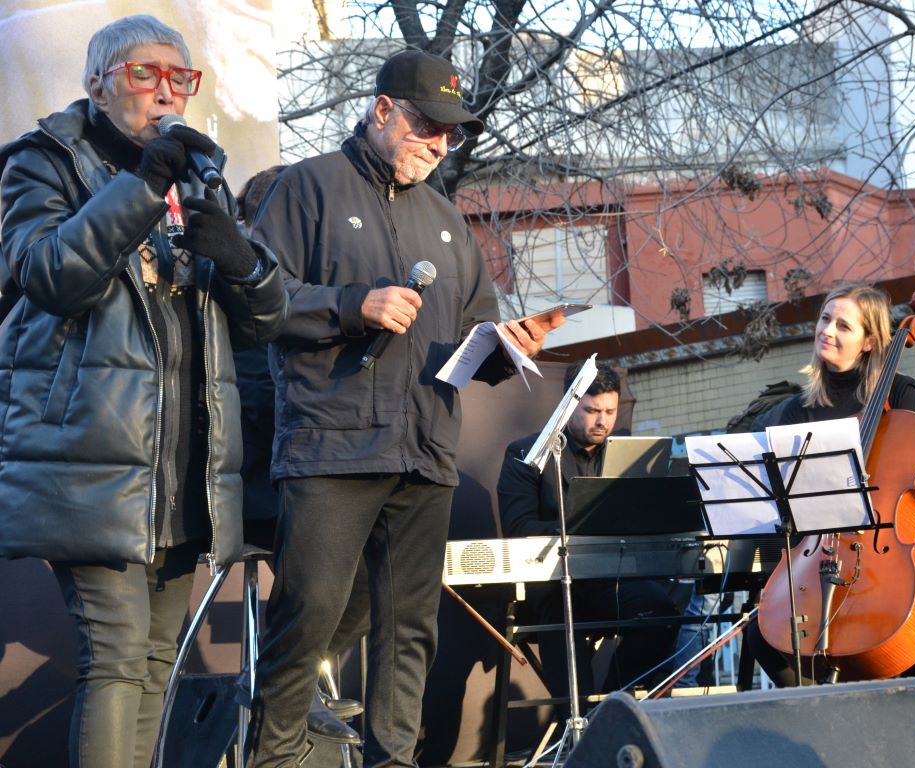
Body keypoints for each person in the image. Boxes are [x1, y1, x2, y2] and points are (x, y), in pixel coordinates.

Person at [244, 49, 554, 767]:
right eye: (428, 125)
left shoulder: (448, 220)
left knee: (410, 628)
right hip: (332, 445)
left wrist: (510, 345)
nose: (441, 144)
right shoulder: (305, 188)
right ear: (382, 110)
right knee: (310, 611)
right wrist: (354, 305)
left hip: (426, 450)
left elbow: (473, 329)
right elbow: (257, 303)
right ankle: (275, 758)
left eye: (453, 133)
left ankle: (394, 760)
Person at [0, 14, 287, 768]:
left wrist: (243, 262)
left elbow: (265, 323)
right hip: (89, 455)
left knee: (160, 658)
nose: (166, 91)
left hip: (180, 462)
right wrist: (142, 183)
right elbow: (50, 277)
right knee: (118, 654)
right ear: (97, 84)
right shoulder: (42, 163)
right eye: (144, 74)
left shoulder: (203, 175)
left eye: (179, 78)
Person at [743, 285, 915, 686]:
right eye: (824, 319)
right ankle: (818, 719)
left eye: (843, 325)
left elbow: (911, 484)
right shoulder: (793, 410)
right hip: (818, 548)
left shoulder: (900, 391)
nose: (828, 331)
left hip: (896, 539)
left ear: (870, 340)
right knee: (763, 634)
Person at [235, 166, 368, 739]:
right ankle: (284, 675)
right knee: (327, 562)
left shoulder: (308, 290)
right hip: (251, 475)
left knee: (377, 561)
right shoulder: (240, 278)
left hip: (302, 459)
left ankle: (299, 670)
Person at [497, 362, 678, 704]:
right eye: (592, 410)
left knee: (663, 614)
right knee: (563, 622)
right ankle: (577, 720)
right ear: (569, 404)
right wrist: (579, 528)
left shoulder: (627, 455)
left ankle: (614, 703)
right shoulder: (526, 453)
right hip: (552, 586)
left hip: (611, 579)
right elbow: (519, 529)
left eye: (610, 411)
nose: (602, 421)